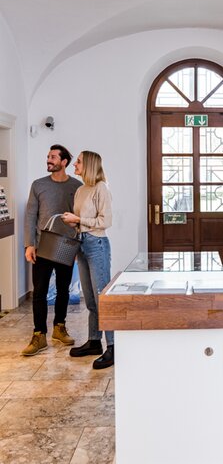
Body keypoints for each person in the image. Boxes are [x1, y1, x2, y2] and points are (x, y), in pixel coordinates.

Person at [22, 144, 81, 356]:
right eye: (48, 156)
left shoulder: (77, 186)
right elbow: (30, 215)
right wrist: (29, 244)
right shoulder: (38, 185)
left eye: (53, 157)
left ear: (64, 162)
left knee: (63, 290)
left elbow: (80, 217)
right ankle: (39, 335)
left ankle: (59, 327)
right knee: (39, 292)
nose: (49, 160)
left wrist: (77, 248)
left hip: (66, 246)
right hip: (41, 247)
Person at [62, 150, 114, 370]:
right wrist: (74, 224)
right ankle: (94, 342)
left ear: (90, 165)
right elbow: (84, 221)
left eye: (79, 162)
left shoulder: (101, 188)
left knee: (103, 298)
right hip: (81, 244)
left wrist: (79, 219)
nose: (75, 165)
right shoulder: (80, 190)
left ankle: (112, 346)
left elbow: (105, 221)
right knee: (91, 300)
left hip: (97, 245)